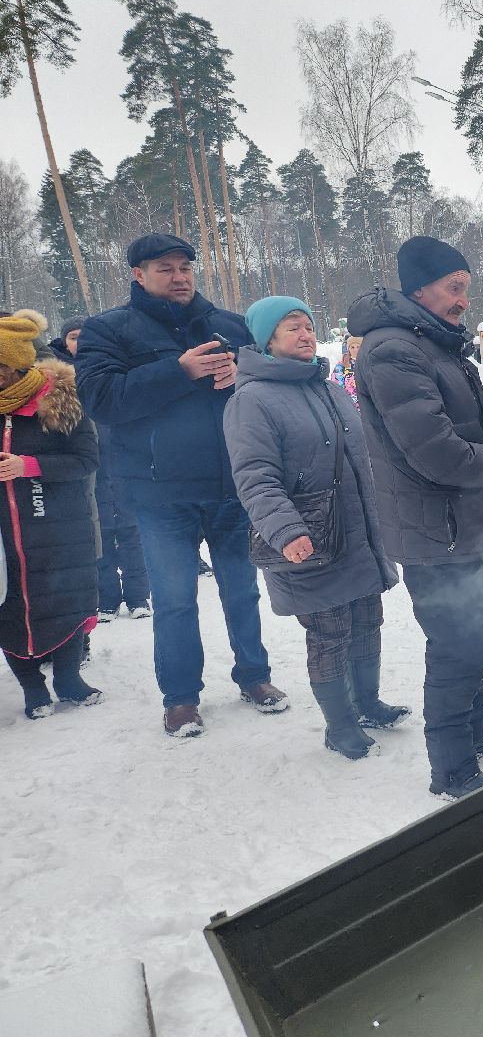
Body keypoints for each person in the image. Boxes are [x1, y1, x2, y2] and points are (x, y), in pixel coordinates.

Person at [75, 233, 283, 737]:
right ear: (137, 275)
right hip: (159, 493)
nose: (179, 275)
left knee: (242, 591)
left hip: (231, 486)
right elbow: (103, 400)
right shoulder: (108, 331)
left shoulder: (229, 325)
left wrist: (242, 375)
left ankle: (254, 676)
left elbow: (265, 387)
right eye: (165, 268)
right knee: (174, 601)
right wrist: (179, 370)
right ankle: (181, 699)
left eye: (185, 266)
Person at [348, 236, 483, 799]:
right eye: (454, 288)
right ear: (418, 288)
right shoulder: (393, 350)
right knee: (457, 644)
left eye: (465, 289)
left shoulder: (435, 343)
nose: (463, 300)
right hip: (435, 529)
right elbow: (432, 449)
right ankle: (450, 769)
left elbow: (473, 426)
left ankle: (471, 734)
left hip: (460, 522)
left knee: (478, 633)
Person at [224, 297, 406, 760]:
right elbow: (255, 477)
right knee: (329, 631)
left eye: (309, 325)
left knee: (367, 620)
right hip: (309, 539)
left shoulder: (329, 387)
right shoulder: (251, 399)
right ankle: (339, 725)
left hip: (355, 531)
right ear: (267, 340)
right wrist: (286, 531)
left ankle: (368, 704)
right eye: (292, 328)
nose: (306, 335)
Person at [0, 311, 103, 719]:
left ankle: (69, 680)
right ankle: (32, 688)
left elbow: (86, 459)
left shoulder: (59, 398)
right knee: (9, 609)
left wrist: (29, 466)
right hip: (6, 535)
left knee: (68, 600)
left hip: (60, 525)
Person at [51, 317, 151, 622]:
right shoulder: (56, 378)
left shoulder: (111, 366)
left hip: (122, 461)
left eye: (84, 336)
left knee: (133, 534)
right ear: (63, 342)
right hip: (86, 467)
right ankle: (107, 598)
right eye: (72, 337)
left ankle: (138, 597)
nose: (78, 342)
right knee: (100, 537)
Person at [332, 334, 362, 406]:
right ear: (348, 349)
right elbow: (336, 387)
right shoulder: (341, 366)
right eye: (352, 347)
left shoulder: (367, 363)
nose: (355, 350)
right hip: (349, 405)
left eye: (358, 347)